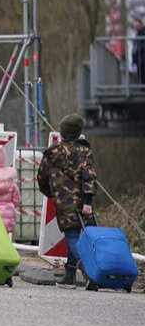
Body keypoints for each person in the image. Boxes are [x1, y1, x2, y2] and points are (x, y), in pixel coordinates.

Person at [37, 113, 98, 290]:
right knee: (78, 237)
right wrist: (87, 201)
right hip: (84, 203)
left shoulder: (52, 152)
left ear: (62, 132)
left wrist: (52, 194)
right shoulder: (85, 152)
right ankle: (70, 276)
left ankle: (88, 272)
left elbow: (42, 178)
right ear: (78, 133)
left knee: (72, 237)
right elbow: (90, 178)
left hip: (64, 202)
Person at [132, 19, 145, 84]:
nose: (136, 27)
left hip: (142, 57)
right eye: (135, 26)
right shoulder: (137, 35)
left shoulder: (142, 32)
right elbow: (134, 48)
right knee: (141, 75)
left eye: (138, 26)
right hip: (139, 59)